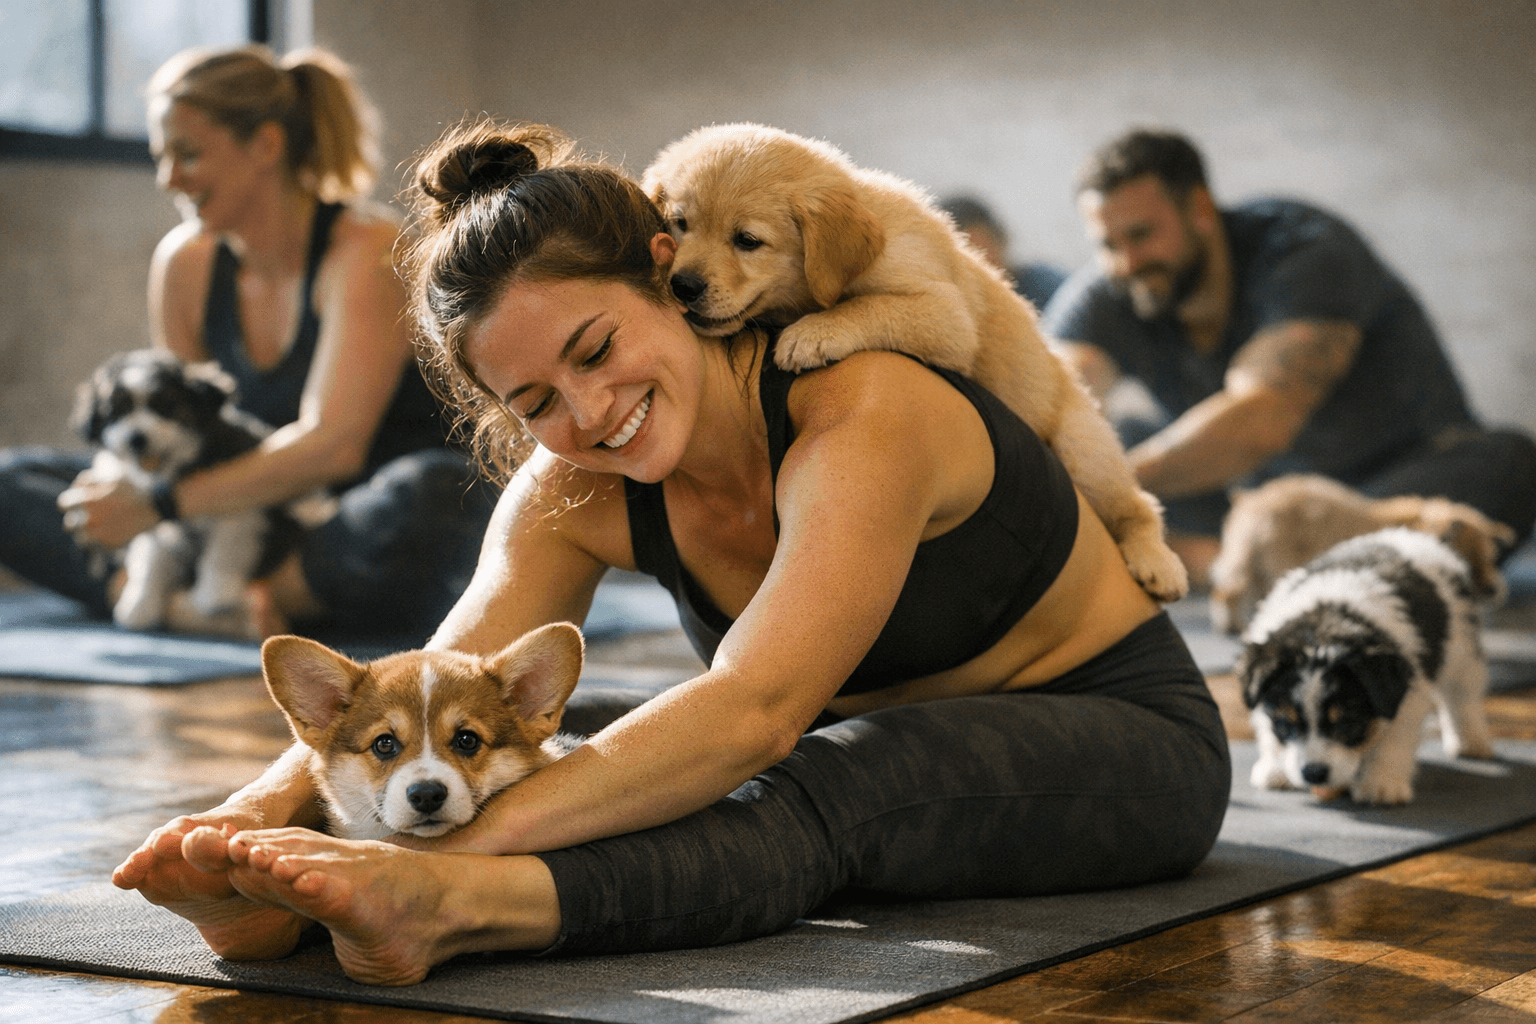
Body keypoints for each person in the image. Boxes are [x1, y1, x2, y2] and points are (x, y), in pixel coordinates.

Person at [111, 120, 1230, 983]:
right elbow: (432, 679)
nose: (592, 412)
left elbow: (754, 710)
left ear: (668, 272)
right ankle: (300, 906)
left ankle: (449, 904)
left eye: (598, 349)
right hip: (861, 730)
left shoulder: (866, 406)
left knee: (786, 773)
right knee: (516, 745)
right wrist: (255, 819)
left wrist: (438, 856)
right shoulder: (572, 485)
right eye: (538, 398)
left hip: (1124, 739)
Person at [0, 44, 495, 639]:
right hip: (230, 516)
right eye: (162, 158)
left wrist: (155, 507)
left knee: (442, 491)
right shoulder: (184, 262)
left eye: (187, 154)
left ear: (265, 146)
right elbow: (178, 445)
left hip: (346, 519)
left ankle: (261, 595)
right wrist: (134, 500)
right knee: (12, 480)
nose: (168, 179)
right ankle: (183, 603)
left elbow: (333, 447)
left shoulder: (365, 250)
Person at [1041, 128, 1536, 584]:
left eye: (1142, 235)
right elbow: (1048, 397)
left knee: (1509, 463)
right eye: (1107, 243)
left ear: (1200, 211)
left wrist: (1112, 488)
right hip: (1267, 501)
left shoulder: (1303, 248)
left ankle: (1247, 560)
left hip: (1401, 475)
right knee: (1115, 441)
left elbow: (1263, 419)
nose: (1125, 262)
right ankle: (1261, 559)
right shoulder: (1109, 291)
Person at [940, 194, 1067, 311]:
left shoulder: (1042, 283)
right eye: (971, 255)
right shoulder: (956, 311)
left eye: (986, 248)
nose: (986, 260)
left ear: (1001, 240)